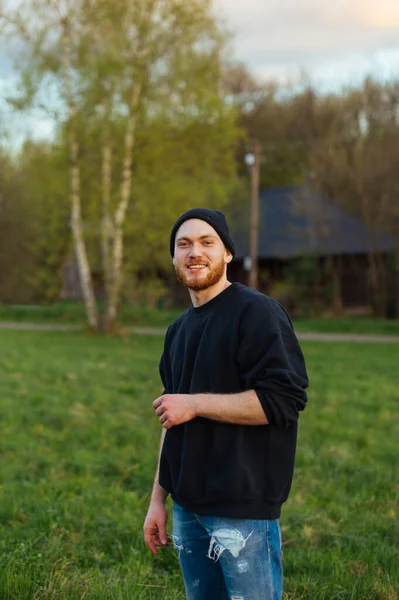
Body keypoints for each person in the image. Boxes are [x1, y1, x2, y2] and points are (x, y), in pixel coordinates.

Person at [143, 208, 309, 600]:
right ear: (173, 258)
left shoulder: (256, 313)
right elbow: (172, 417)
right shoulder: (178, 331)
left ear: (227, 254)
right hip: (187, 508)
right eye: (183, 244)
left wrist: (196, 404)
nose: (194, 252)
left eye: (206, 242)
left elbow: (283, 400)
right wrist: (157, 500)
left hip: (242, 509)